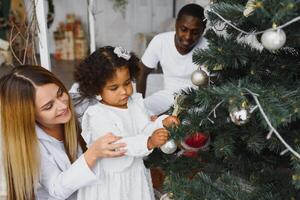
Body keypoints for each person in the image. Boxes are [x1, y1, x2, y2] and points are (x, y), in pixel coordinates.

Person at [0, 65, 127, 200]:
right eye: (49, 106)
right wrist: (93, 153)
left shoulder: (81, 105)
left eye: (60, 93)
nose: (62, 106)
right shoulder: (30, 144)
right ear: (29, 116)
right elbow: (57, 188)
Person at [73, 46, 179, 200]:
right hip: (111, 180)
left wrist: (163, 123)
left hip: (134, 172)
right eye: (114, 88)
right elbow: (117, 145)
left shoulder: (135, 103)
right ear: (97, 88)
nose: (124, 91)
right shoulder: (97, 115)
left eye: (127, 83)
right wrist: (148, 142)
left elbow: (146, 127)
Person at [136, 3, 208, 115]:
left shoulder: (209, 47)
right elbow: (141, 71)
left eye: (195, 32)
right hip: (168, 95)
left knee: (188, 124)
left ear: (203, 31)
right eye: (183, 29)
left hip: (197, 100)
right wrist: (139, 104)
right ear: (176, 25)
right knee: (141, 111)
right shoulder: (160, 41)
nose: (188, 37)